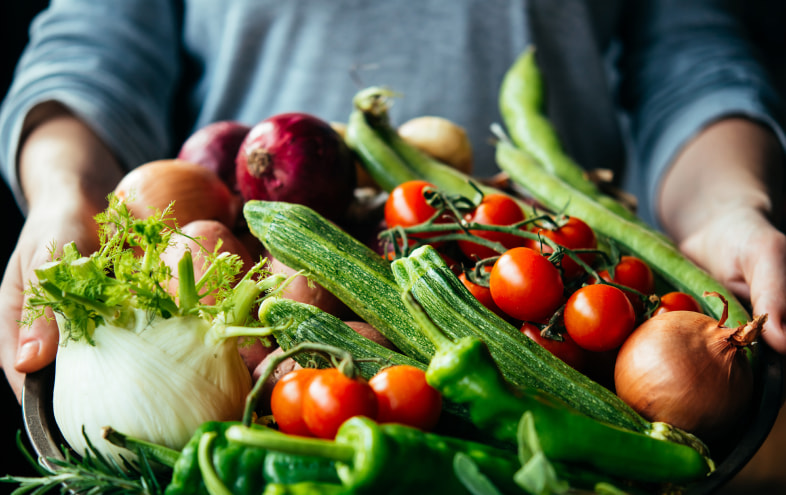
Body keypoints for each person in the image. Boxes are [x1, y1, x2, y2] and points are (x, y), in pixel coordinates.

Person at [0, 0, 784, 403]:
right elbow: (95, 41)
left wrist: (725, 208)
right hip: (244, 271)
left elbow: (689, 53)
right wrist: (66, 195)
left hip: (575, 282)